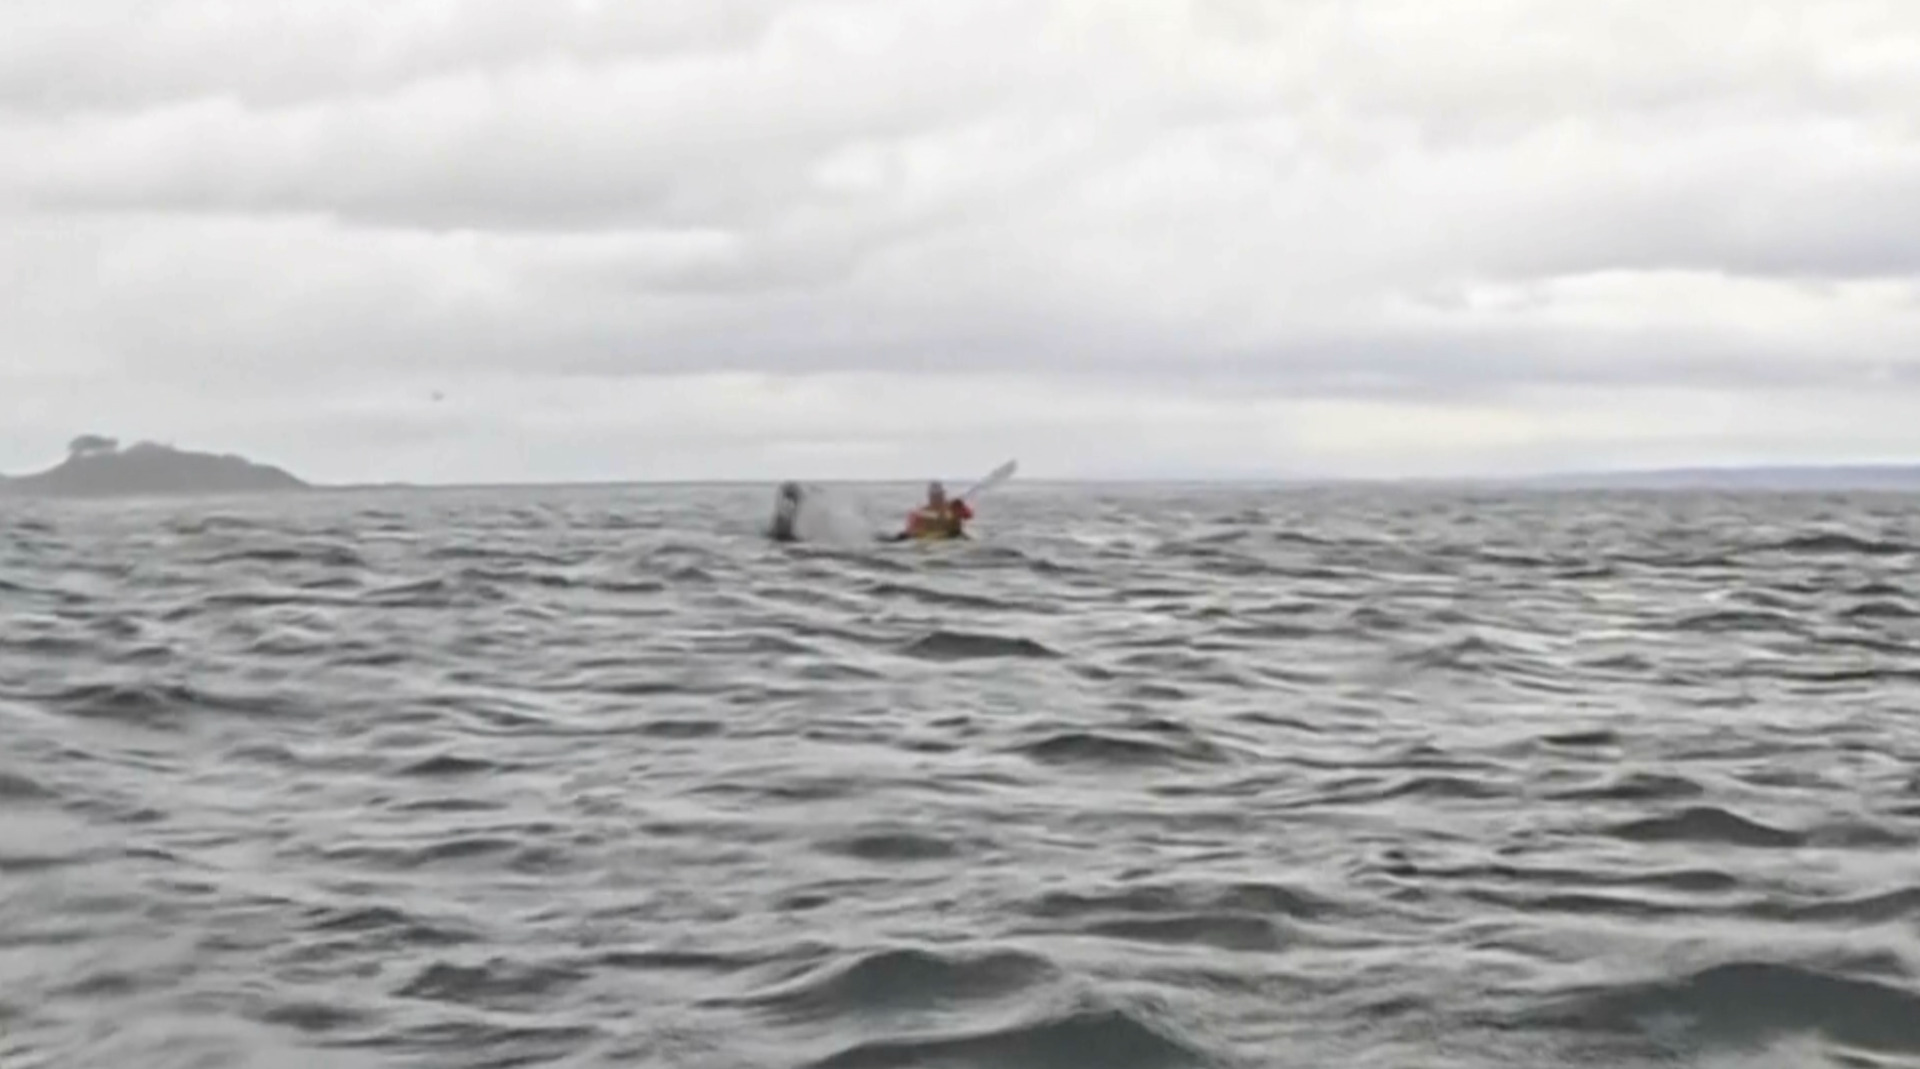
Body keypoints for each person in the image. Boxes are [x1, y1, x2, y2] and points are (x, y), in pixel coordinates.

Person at [900, 480, 972, 540]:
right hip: (931, 539)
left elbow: (968, 515)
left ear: (943, 495)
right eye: (934, 496)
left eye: (939, 495)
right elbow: (910, 530)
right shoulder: (921, 512)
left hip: (952, 537)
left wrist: (960, 507)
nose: (937, 499)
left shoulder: (953, 507)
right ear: (929, 496)